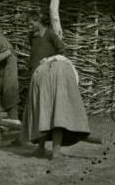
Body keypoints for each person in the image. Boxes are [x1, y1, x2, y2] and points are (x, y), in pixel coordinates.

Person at [22, 11, 90, 160]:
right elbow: (33, 55)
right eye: (27, 24)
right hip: (37, 77)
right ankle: (40, 149)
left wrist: (49, 62)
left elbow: (61, 51)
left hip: (51, 77)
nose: (29, 26)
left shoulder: (50, 34)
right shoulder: (31, 37)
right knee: (41, 113)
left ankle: (56, 152)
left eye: (30, 23)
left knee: (55, 113)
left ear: (37, 20)